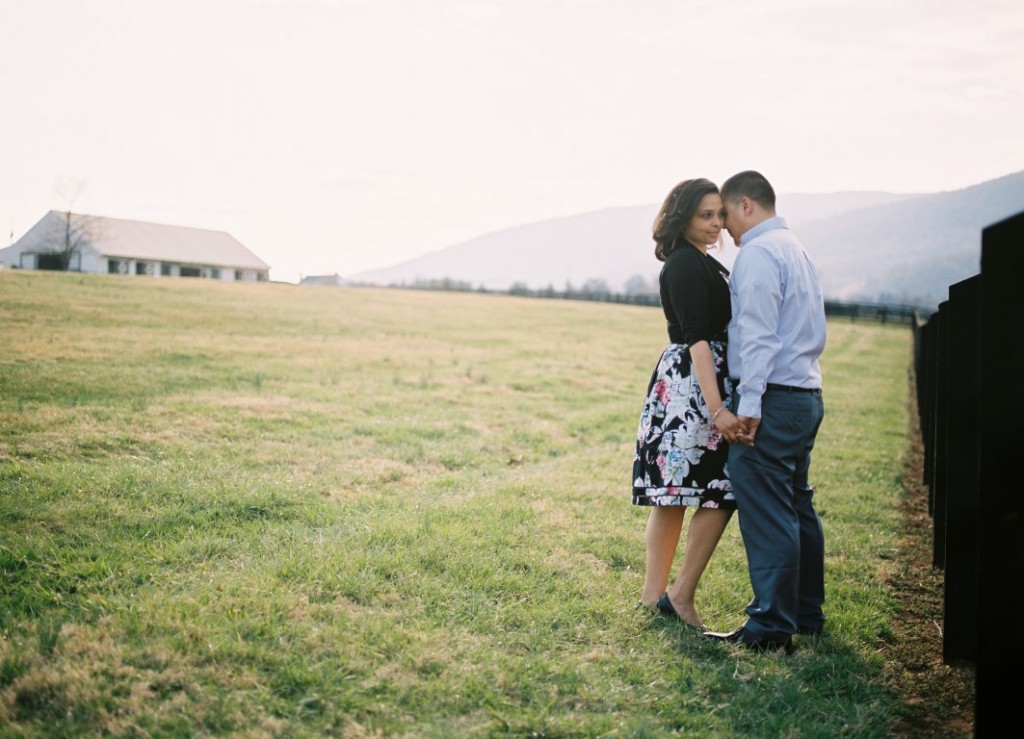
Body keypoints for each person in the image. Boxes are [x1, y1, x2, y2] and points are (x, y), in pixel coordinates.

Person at [702, 171, 827, 653]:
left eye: (727, 215)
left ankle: (772, 626)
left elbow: (757, 335)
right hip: (805, 394)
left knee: (770, 511)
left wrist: (748, 405)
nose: (725, 229)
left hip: (772, 397)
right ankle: (806, 613)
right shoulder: (797, 248)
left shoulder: (757, 254)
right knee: (796, 503)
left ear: (747, 205)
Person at [633, 178, 747, 628]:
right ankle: (659, 596)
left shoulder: (707, 262)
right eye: (706, 215)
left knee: (702, 493)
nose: (717, 223)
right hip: (692, 385)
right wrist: (717, 409)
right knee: (686, 494)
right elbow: (698, 341)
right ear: (681, 218)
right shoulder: (683, 263)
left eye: (720, 214)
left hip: (704, 380)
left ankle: (668, 596)